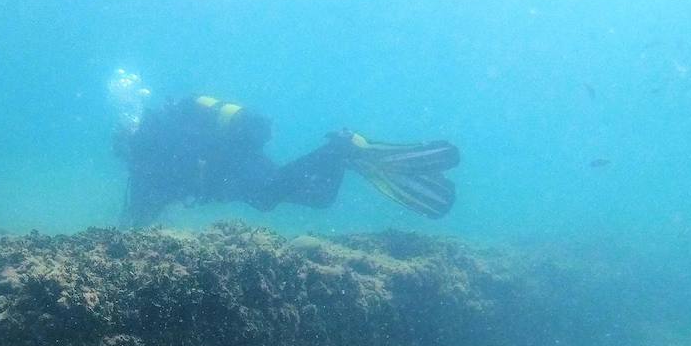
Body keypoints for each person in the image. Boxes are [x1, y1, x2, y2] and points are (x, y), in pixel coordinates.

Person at [113, 91, 459, 226]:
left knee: (268, 196)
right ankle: (347, 153)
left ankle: (340, 149)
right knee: (319, 197)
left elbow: (142, 213)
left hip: (231, 169)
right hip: (239, 163)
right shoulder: (163, 140)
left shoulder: (150, 155)